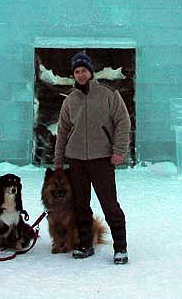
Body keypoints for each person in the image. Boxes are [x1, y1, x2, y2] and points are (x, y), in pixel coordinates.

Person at [54, 52, 131, 265]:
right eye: (77, 71)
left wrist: (119, 151)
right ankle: (85, 244)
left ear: (91, 72)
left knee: (109, 204)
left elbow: (123, 123)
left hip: (102, 159)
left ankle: (121, 248)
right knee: (80, 205)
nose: (80, 74)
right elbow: (63, 131)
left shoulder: (108, 94)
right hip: (76, 159)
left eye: (84, 70)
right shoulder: (70, 100)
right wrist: (59, 160)